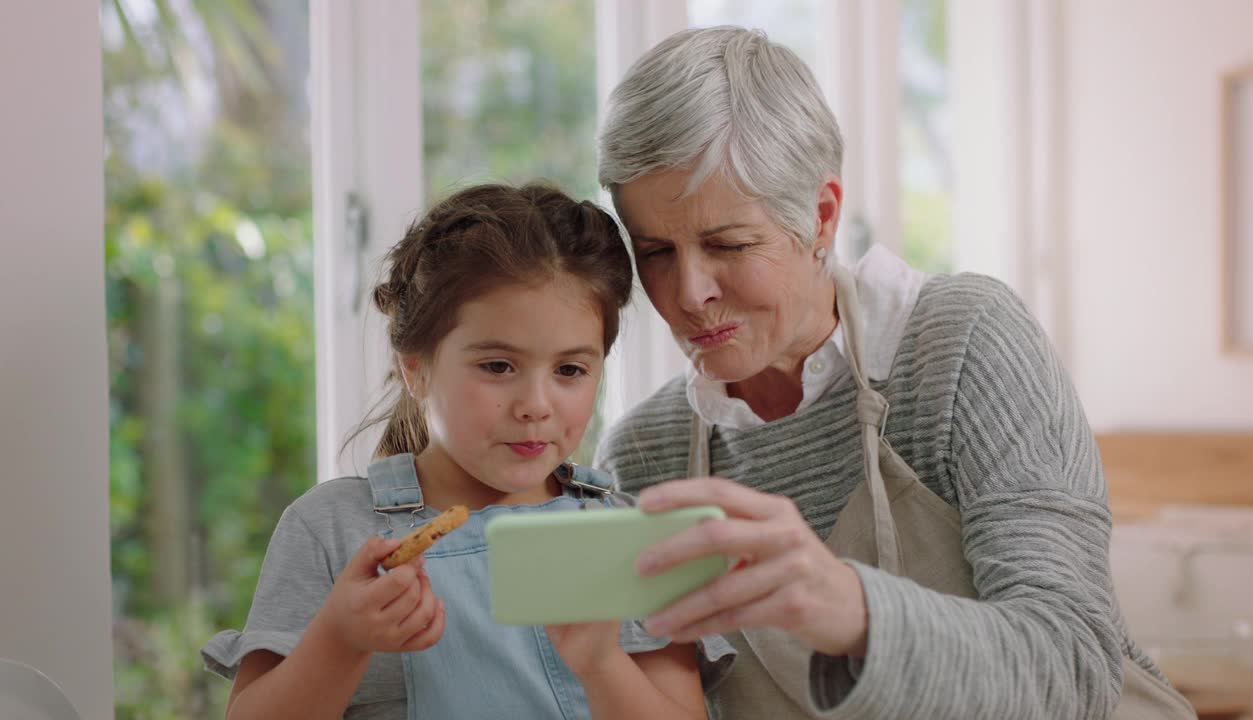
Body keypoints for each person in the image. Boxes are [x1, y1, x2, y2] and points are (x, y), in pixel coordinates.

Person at [593, 26, 1195, 719]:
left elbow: (1074, 667)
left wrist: (853, 611)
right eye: (656, 251)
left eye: (729, 243)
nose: (689, 292)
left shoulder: (962, 344)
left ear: (821, 218)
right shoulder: (646, 456)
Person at [201, 184, 734, 719]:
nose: (535, 405)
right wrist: (339, 641)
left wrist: (601, 663)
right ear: (415, 366)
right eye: (498, 366)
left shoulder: (627, 540)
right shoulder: (330, 530)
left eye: (570, 370)